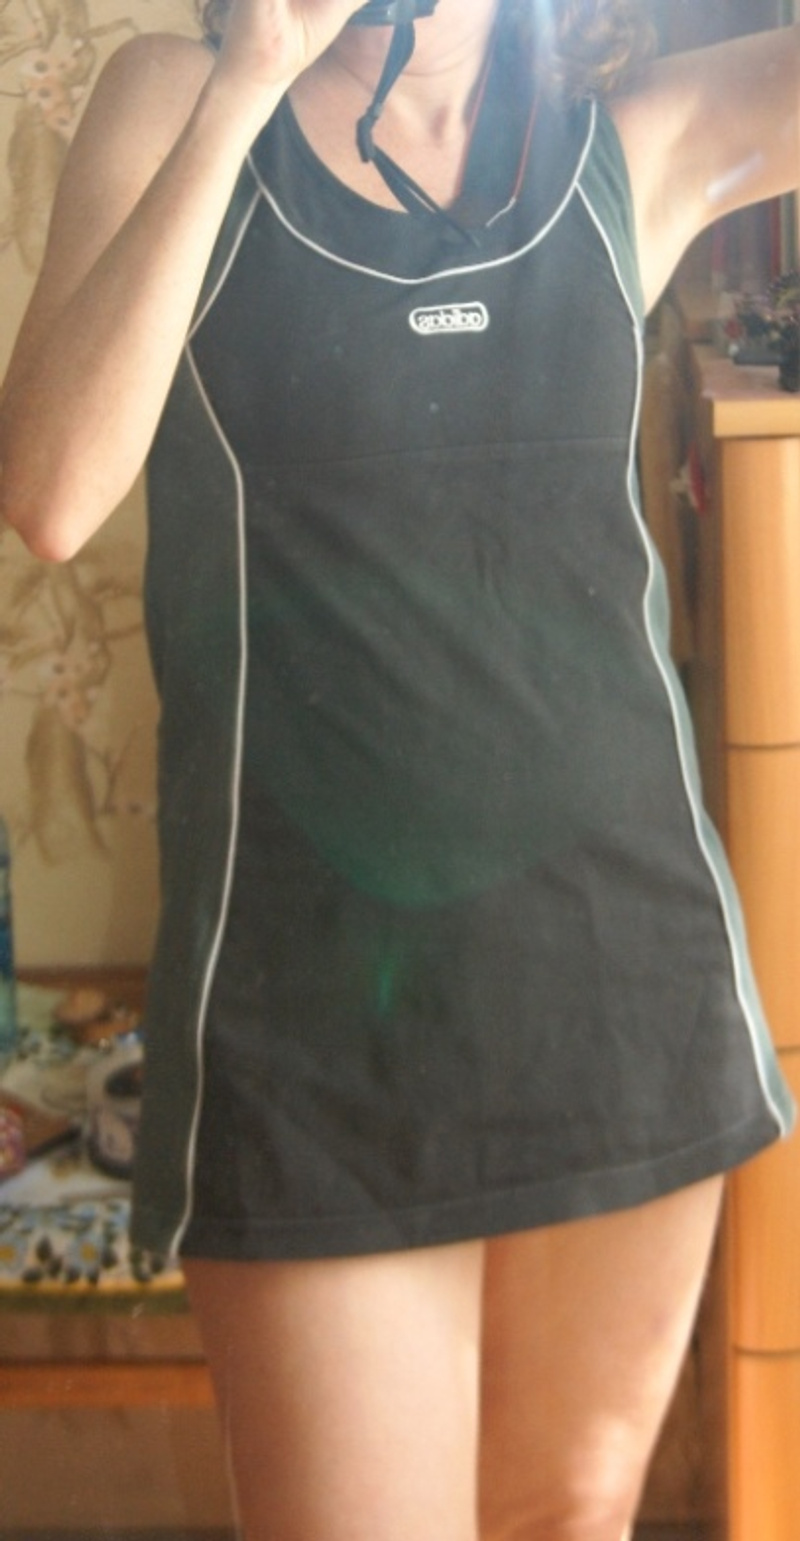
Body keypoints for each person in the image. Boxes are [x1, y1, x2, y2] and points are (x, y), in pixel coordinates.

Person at [0, 1, 797, 1536]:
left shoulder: (628, 139)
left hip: (621, 989)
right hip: (307, 1030)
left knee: (570, 1517)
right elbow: (51, 489)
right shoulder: (177, 100)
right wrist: (254, 75)